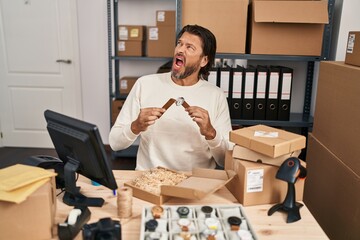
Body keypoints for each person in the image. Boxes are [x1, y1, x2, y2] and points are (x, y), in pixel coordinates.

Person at [109, 25, 232, 171]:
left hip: (194, 182)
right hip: (150, 180)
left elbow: (225, 160)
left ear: (204, 60)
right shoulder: (145, 84)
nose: (180, 50)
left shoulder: (216, 96)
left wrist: (211, 133)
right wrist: (136, 126)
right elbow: (115, 143)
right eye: (179, 44)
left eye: (190, 47)